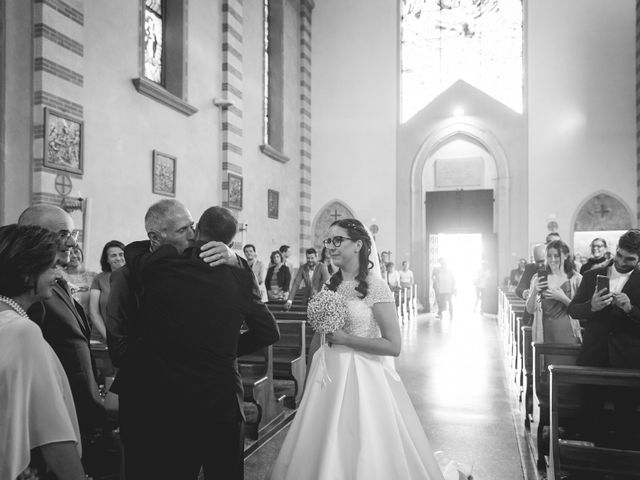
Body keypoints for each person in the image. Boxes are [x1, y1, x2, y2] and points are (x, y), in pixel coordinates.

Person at [269, 218, 467, 480]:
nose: (331, 247)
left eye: (338, 240)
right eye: (328, 241)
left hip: (363, 378)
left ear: (359, 245)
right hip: (327, 376)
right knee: (320, 439)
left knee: (362, 443)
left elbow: (394, 345)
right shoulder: (331, 285)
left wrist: (347, 339)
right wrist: (309, 378)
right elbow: (320, 335)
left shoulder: (376, 286)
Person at [123, 206, 279, 479]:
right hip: (222, 401)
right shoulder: (239, 274)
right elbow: (268, 332)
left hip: (172, 402)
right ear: (230, 242)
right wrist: (227, 351)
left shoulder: (159, 266)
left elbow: (133, 250)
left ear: (198, 231)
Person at [105, 199, 245, 479]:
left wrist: (236, 258)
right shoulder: (128, 276)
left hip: (193, 399)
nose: (194, 235)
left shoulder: (200, 267)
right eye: (184, 230)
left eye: (192, 226)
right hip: (147, 400)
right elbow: (119, 347)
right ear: (156, 237)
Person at [0, 225, 85, 480]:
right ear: (27, 275)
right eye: (50, 268)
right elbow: (51, 431)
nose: (57, 275)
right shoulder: (22, 331)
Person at [19, 205, 106, 447]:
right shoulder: (32, 290)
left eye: (73, 234)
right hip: (56, 411)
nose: (72, 243)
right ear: (33, 236)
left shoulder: (55, 281)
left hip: (81, 407)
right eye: (63, 234)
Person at [568, 229, 640, 449]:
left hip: (627, 361)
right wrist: (591, 306)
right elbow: (573, 310)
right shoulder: (592, 276)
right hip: (594, 356)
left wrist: (631, 309)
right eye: (619, 255)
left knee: (625, 422)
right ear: (615, 250)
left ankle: (619, 468)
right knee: (590, 417)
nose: (622, 262)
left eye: (630, 259)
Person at [525, 240, 582, 344]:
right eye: (549, 256)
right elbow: (530, 309)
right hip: (544, 334)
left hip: (568, 333)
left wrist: (563, 298)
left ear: (565, 256)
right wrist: (534, 292)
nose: (552, 260)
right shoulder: (538, 278)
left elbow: (580, 312)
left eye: (556, 256)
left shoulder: (576, 279)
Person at [89, 240, 125, 341]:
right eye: (113, 255)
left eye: (121, 254)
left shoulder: (136, 277)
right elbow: (94, 313)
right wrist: (109, 338)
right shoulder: (99, 279)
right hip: (100, 338)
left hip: (129, 341)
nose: (118, 258)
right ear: (107, 259)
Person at [64, 246, 95, 315]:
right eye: (70, 253)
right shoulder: (60, 276)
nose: (74, 256)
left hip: (89, 322)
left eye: (76, 252)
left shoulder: (93, 277)